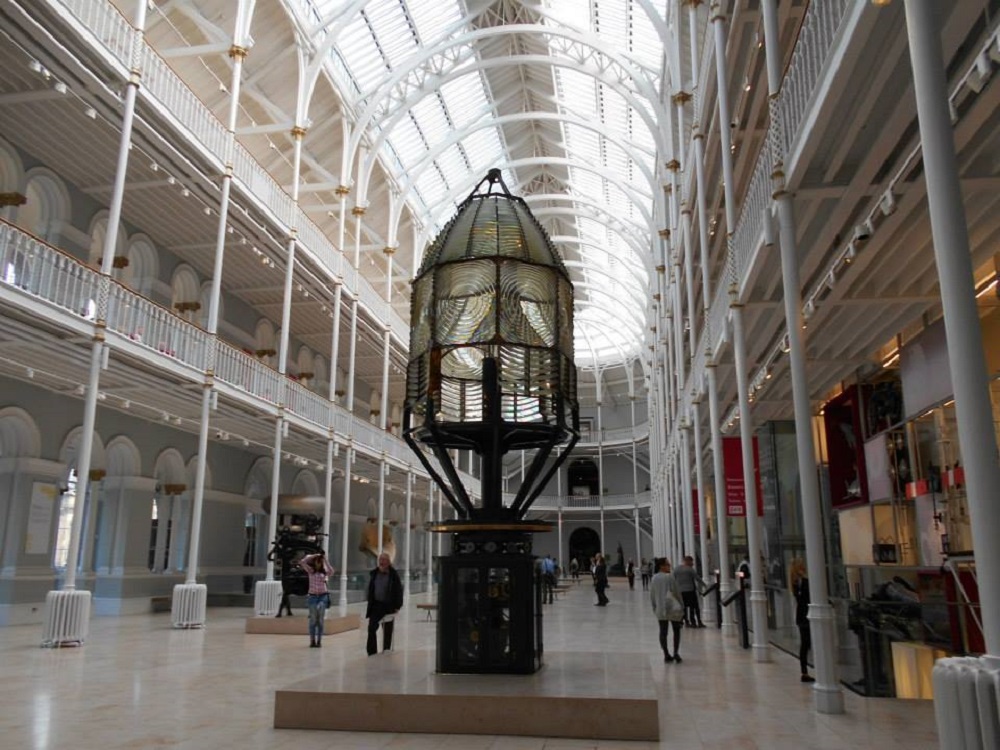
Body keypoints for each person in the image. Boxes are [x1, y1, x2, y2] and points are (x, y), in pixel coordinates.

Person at [366, 552, 404, 655]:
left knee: (387, 629)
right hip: (376, 605)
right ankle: (371, 652)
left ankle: (386, 649)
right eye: (380, 560)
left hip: (388, 605)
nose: (381, 562)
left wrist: (398, 605)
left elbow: (399, 590)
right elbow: (371, 589)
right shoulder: (374, 574)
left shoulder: (393, 575)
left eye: (384, 560)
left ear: (388, 562)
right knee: (371, 628)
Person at [650, 558, 685, 662]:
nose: (669, 566)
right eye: (667, 564)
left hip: (661, 608)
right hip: (673, 608)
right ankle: (676, 653)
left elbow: (652, 595)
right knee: (676, 630)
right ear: (662, 566)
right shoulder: (670, 577)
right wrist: (681, 605)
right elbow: (676, 592)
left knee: (663, 631)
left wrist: (654, 607)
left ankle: (666, 653)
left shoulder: (654, 578)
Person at [299, 552, 333, 648]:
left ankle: (319, 641)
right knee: (313, 620)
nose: (318, 564)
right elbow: (302, 562)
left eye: (320, 562)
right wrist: (314, 556)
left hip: (322, 596)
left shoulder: (324, 572)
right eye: (317, 562)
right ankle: (312, 640)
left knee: (320, 620)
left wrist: (325, 559)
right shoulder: (310, 571)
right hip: (313, 596)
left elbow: (331, 571)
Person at [790, 558, 815, 683]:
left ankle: (805, 671)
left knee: (805, 643)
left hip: (802, 615)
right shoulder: (801, 582)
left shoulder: (796, 582)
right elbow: (809, 597)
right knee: (806, 643)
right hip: (806, 615)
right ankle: (805, 672)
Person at [675, 555, 705, 627]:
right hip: (690, 591)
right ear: (688, 561)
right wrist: (705, 585)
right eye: (692, 562)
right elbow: (697, 578)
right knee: (694, 607)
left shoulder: (677, 569)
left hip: (681, 591)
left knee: (683, 607)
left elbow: (673, 578)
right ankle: (694, 622)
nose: (693, 563)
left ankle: (686, 621)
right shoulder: (690, 569)